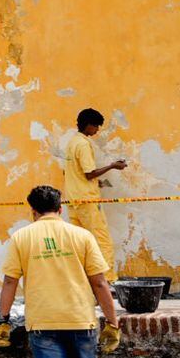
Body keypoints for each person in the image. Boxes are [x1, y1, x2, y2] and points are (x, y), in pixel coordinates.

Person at [0, 185, 121, 358]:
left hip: (43, 324)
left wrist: (2, 320)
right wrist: (112, 323)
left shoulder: (22, 238)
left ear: (33, 211)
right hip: (81, 321)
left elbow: (9, 282)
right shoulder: (81, 235)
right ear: (60, 208)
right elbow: (100, 282)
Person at [61, 109, 127, 282]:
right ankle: (107, 280)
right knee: (101, 241)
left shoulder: (71, 143)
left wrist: (96, 183)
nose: (97, 130)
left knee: (81, 244)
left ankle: (84, 281)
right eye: (96, 126)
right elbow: (89, 173)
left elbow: (72, 173)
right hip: (87, 201)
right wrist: (113, 166)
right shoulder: (83, 144)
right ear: (89, 125)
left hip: (74, 200)